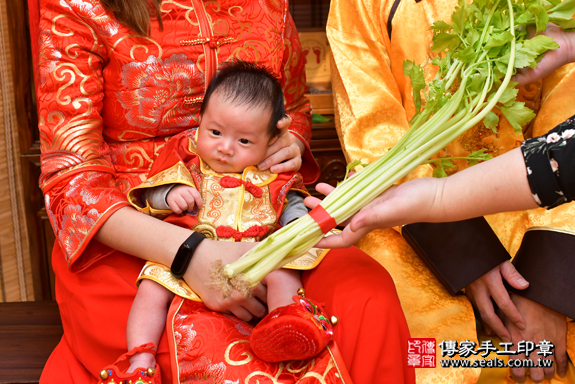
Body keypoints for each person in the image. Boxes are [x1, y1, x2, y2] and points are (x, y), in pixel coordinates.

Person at [37, 0, 415, 383]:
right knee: (222, 352)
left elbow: (294, 105)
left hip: (263, 211)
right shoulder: (76, 6)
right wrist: (190, 253)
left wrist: (289, 143)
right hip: (136, 230)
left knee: (370, 300)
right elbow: (72, 179)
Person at [324, 0, 575, 383]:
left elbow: (566, 135)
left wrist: (549, 285)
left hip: (540, 213)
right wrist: (466, 253)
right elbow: (373, 130)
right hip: (411, 220)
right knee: (389, 333)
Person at [123, 62, 332, 374]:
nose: (224, 148)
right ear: (200, 122)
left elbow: (292, 204)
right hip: (186, 256)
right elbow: (147, 195)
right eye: (215, 132)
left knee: (284, 270)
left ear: (271, 141)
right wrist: (168, 195)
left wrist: (294, 228)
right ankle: (140, 358)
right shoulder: (189, 164)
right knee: (151, 285)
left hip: (255, 253)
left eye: (244, 141)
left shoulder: (271, 174)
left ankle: (284, 324)